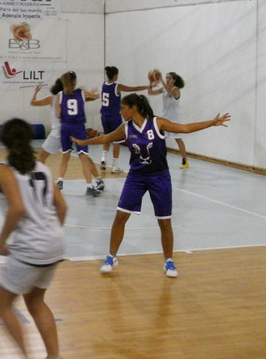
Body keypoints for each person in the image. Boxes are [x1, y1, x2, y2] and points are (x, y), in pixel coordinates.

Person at [73, 93, 230, 278]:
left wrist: (212, 122)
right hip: (136, 177)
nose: (121, 111)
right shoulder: (125, 128)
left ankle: (169, 261)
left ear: (134, 108)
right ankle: (111, 256)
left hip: (159, 177)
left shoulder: (158, 123)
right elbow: (105, 138)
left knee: (164, 221)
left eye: (123, 108)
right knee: (121, 216)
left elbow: (185, 128)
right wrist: (85, 142)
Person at [0, 118, 67, 359]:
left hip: (31, 248)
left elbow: (17, 208)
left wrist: (2, 240)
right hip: (55, 244)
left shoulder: (4, 170)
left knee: (1, 305)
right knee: (35, 301)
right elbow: (62, 206)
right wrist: (51, 234)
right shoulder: (42, 167)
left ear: (4, 140)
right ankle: (54, 356)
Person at [31, 80, 105, 185]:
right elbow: (91, 98)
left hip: (58, 134)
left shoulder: (52, 99)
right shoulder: (74, 97)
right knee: (85, 158)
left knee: (42, 156)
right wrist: (92, 92)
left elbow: (33, 103)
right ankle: (98, 180)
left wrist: (35, 92)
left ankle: (41, 182)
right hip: (72, 132)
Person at [56, 71, 104, 196]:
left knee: (65, 156)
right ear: (75, 81)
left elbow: (58, 114)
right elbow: (95, 96)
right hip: (78, 128)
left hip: (65, 127)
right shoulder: (82, 93)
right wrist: (95, 92)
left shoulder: (60, 95)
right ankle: (89, 186)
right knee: (84, 157)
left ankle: (60, 181)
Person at [100, 66, 150, 173]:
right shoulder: (117, 86)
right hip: (114, 116)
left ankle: (103, 158)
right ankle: (114, 166)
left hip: (104, 116)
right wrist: (147, 87)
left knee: (107, 137)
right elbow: (133, 89)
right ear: (115, 75)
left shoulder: (104, 84)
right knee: (117, 141)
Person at [148, 71, 189, 168]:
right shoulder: (164, 89)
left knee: (178, 139)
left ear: (174, 80)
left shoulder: (176, 89)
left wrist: (161, 80)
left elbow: (170, 92)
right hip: (164, 117)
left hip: (174, 118)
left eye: (169, 78)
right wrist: (151, 83)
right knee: (159, 138)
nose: (167, 80)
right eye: (166, 78)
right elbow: (150, 92)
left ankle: (184, 160)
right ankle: (156, 158)